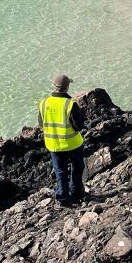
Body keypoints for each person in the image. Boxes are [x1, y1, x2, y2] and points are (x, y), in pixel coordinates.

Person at [38, 74, 85, 207]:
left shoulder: (44, 103)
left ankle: (63, 199)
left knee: (60, 171)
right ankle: (76, 192)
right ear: (67, 87)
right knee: (77, 167)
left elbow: (41, 123)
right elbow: (79, 126)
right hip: (72, 144)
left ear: (55, 86)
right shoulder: (70, 104)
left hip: (53, 145)